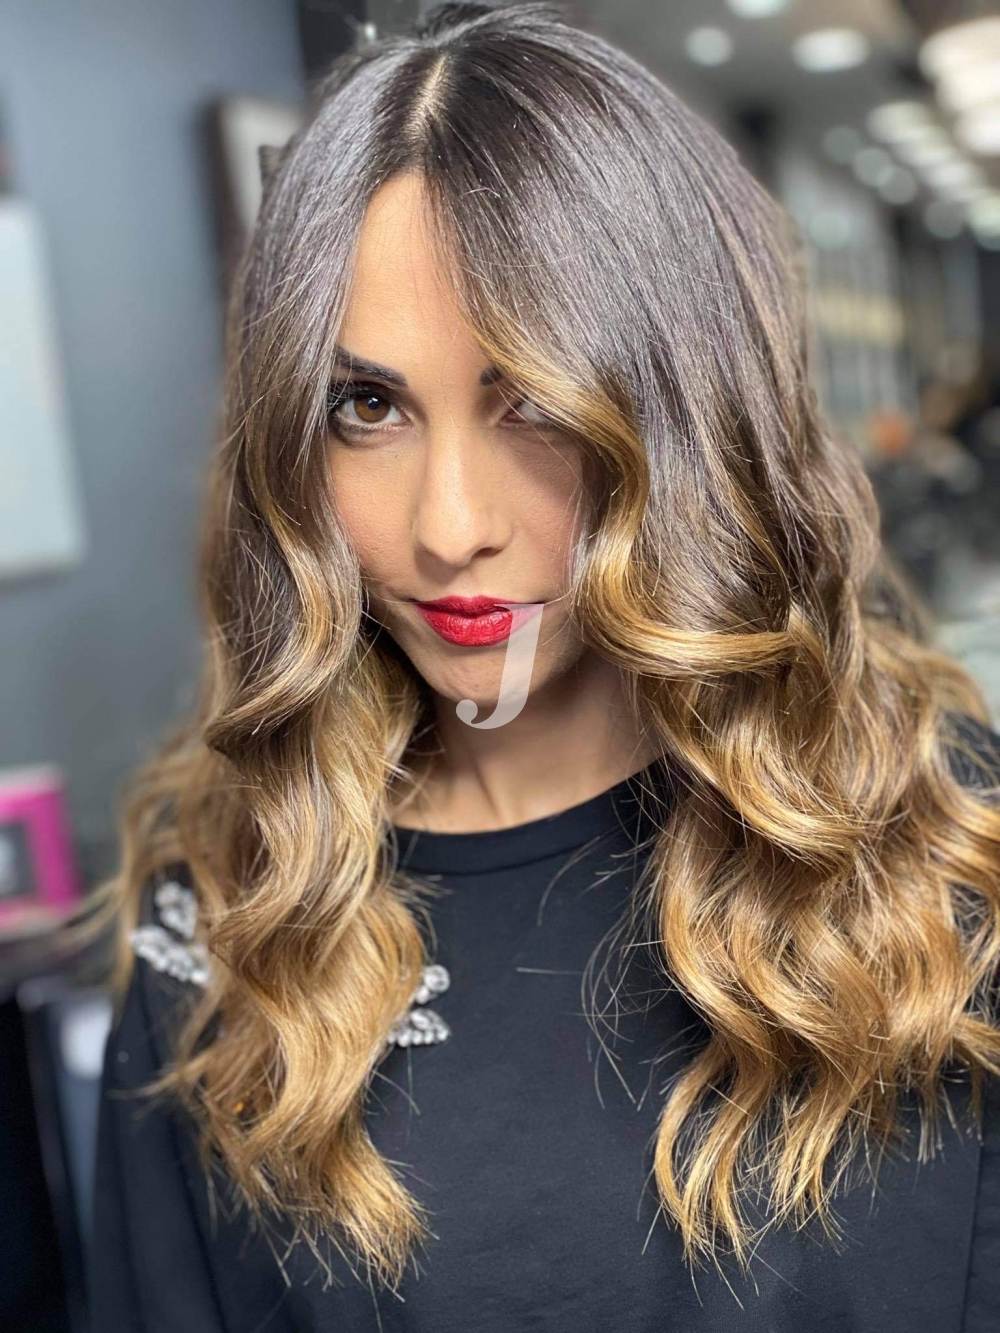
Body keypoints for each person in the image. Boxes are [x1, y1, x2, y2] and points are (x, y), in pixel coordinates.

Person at [86, 3, 1000, 1329]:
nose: (451, 526)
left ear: (685, 415)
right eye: (368, 406)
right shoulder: (238, 910)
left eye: (531, 400)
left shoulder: (948, 853)